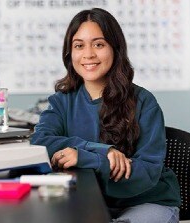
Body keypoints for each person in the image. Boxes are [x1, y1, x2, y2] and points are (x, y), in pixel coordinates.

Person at [31, 8, 181, 223]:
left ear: (115, 49)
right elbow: (41, 142)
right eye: (79, 45)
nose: (88, 54)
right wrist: (103, 151)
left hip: (145, 201)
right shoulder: (61, 101)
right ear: (69, 53)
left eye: (99, 44)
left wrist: (84, 157)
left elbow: (147, 171)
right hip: (88, 201)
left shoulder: (144, 101)